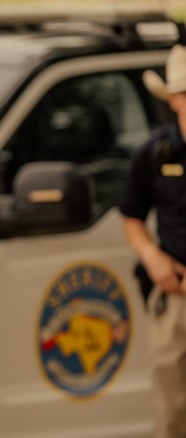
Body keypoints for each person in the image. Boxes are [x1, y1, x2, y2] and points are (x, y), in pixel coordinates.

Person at [120, 44, 186, 438]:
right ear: (173, 99)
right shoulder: (155, 153)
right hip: (175, 295)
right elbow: (131, 216)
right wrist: (152, 257)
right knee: (172, 407)